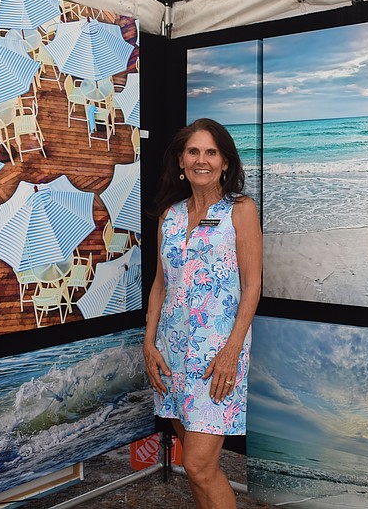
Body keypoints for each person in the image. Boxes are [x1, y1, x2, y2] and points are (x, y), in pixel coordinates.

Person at [144, 118, 262, 509]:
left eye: (211, 152)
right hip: (172, 354)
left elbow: (252, 287)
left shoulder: (240, 211)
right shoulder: (171, 216)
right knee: (196, 464)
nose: (202, 160)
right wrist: (148, 343)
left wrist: (232, 352)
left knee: (197, 464)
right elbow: (161, 284)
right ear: (181, 159)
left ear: (225, 162)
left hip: (217, 358)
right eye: (193, 151)